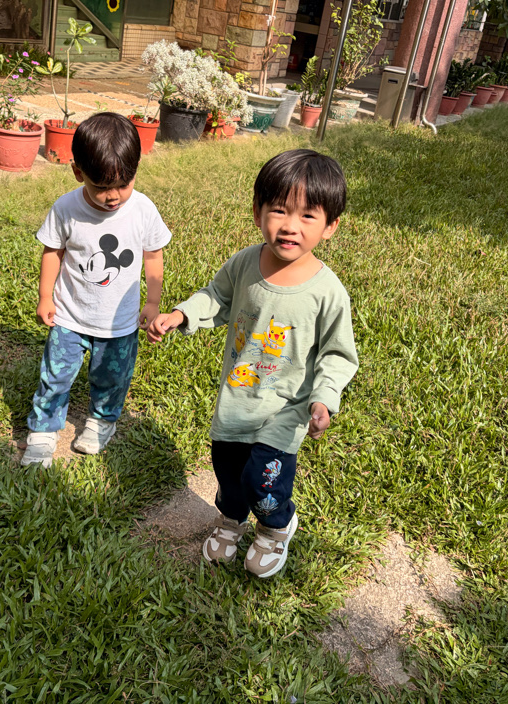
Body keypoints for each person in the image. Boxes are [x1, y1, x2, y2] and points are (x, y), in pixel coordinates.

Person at [147, 149, 359, 578]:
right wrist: (183, 314)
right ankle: (231, 520)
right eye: (279, 210)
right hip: (237, 398)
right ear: (257, 211)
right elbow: (217, 296)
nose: (290, 226)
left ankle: (276, 527)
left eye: (308, 216)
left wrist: (324, 399)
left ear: (330, 226)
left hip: (286, 408)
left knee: (264, 479)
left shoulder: (328, 292)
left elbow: (337, 354)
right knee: (228, 472)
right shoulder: (246, 262)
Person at [21, 112, 172, 468]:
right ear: (78, 173)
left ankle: (102, 420)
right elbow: (53, 252)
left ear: (135, 170)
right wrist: (45, 296)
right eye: (102, 187)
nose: (113, 197)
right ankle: (43, 428)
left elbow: (153, 255)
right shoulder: (66, 208)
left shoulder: (142, 210)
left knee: (112, 377)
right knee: (55, 376)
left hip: (119, 323)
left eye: (124, 184)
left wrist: (153, 301)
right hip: (69, 316)